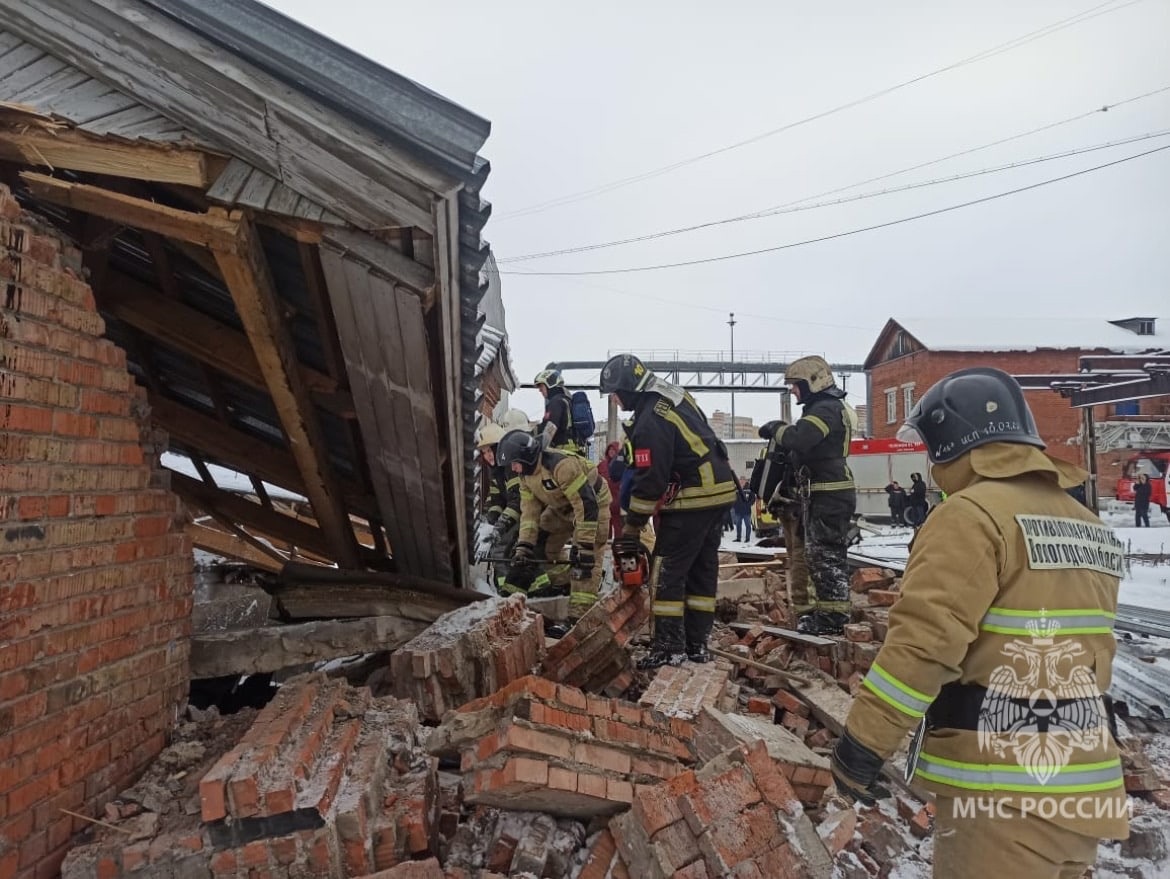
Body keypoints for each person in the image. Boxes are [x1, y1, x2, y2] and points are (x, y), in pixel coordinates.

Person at [830, 367, 1128, 879]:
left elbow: (924, 645)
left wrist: (862, 746)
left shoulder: (971, 515)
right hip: (1085, 786)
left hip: (1004, 791)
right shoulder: (1084, 523)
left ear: (952, 442)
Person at [600, 353, 737, 668]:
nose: (616, 401)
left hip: (692, 498)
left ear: (630, 388)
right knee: (703, 571)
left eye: (616, 394)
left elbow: (651, 481)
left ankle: (668, 647)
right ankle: (696, 644)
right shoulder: (672, 396)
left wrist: (632, 528)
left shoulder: (650, 420)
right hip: (719, 492)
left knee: (667, 573)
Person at [772, 355, 857, 636]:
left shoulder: (825, 409)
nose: (793, 391)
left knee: (825, 556)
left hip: (829, 494)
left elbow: (801, 439)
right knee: (816, 555)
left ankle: (833, 620)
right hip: (822, 493)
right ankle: (826, 614)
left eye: (796, 385)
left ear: (813, 382)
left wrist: (776, 430)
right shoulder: (822, 407)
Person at [496, 429, 611, 619]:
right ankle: (565, 585)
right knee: (540, 547)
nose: (513, 469)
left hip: (593, 506)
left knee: (584, 564)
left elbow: (585, 505)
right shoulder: (526, 477)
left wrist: (584, 547)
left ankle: (578, 618)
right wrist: (524, 547)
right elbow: (529, 515)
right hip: (561, 508)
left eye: (515, 464)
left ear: (527, 457)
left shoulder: (561, 466)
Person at [534, 369, 577, 452]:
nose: (540, 390)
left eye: (541, 386)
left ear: (550, 384)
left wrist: (538, 448)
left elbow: (551, 427)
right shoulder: (566, 400)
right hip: (572, 449)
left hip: (562, 452)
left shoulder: (556, 402)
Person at [598, 441, 625, 541]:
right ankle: (605, 544)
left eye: (614, 450)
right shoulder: (602, 465)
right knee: (604, 527)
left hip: (618, 502)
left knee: (618, 528)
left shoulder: (621, 465)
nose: (611, 452)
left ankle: (619, 545)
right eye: (610, 449)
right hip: (604, 501)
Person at [733, 477, 756, 542]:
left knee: (748, 525)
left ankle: (747, 538)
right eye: (740, 481)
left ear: (745, 481)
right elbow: (732, 498)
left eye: (743, 481)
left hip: (747, 511)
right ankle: (738, 538)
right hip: (738, 511)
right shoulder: (736, 489)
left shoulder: (749, 489)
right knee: (738, 525)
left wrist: (749, 504)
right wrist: (734, 506)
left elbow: (753, 498)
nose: (741, 482)